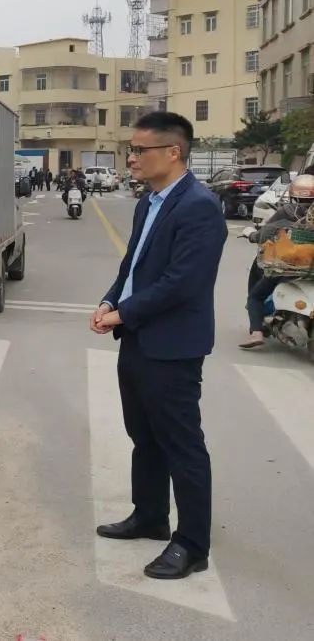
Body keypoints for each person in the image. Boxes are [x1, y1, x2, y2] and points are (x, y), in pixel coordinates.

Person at [90, 111, 226, 581]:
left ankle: (192, 544)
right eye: (130, 150)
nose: (131, 158)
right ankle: (150, 515)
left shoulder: (199, 206)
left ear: (173, 152)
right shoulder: (148, 202)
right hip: (138, 339)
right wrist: (110, 299)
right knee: (143, 436)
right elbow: (133, 264)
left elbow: (183, 283)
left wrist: (123, 313)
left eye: (139, 150)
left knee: (181, 444)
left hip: (173, 345)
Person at [239, 174, 314, 349]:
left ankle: (256, 333)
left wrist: (251, 235)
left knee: (256, 296)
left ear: (293, 195)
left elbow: (265, 233)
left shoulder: (288, 211)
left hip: (290, 267)